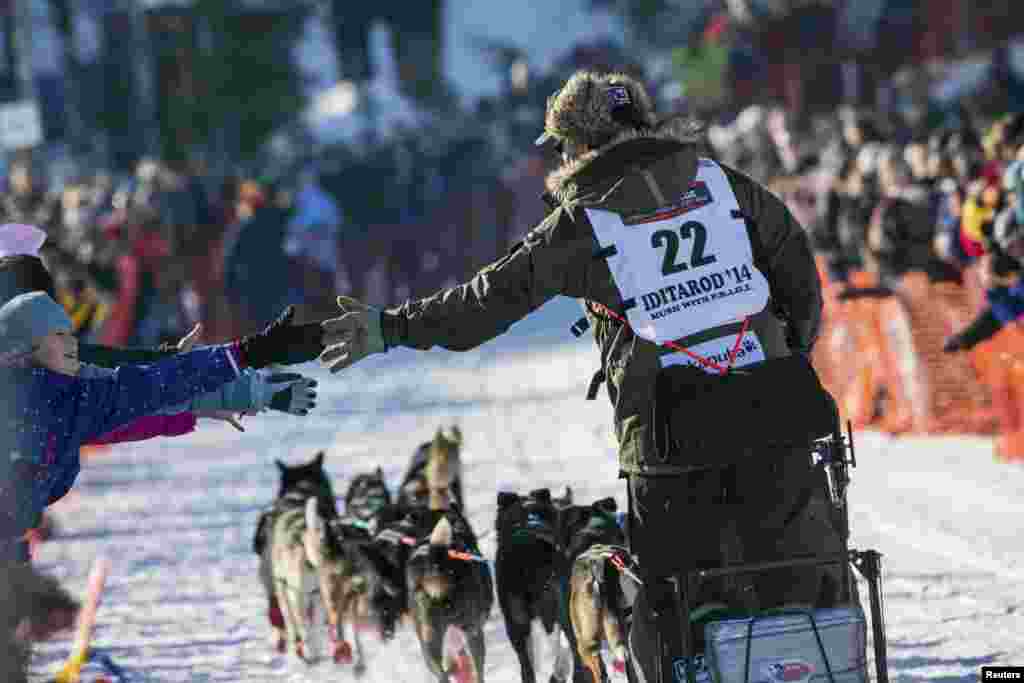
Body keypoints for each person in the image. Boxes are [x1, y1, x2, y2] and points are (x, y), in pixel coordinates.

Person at [317, 70, 848, 679]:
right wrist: (785, 359)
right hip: (778, 413)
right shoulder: (724, 184)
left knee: (678, 603)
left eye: (562, 146)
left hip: (671, 436)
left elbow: (484, 303)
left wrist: (392, 327)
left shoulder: (586, 218)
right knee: (797, 583)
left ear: (579, 143)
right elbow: (799, 276)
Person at [0, 296, 323, 564]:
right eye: (57, 335)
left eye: (70, 333)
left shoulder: (72, 398)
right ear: (24, 347)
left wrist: (248, 371)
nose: (72, 343)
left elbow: (152, 388)